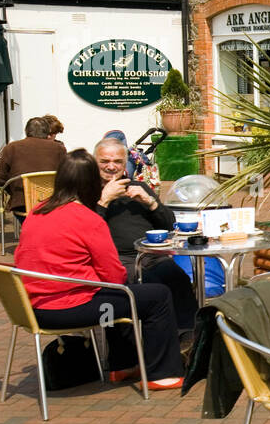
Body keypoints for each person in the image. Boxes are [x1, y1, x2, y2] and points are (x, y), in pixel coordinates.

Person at [13, 149, 184, 390]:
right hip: (68, 309)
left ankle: (123, 366)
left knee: (114, 296)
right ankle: (162, 374)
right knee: (155, 296)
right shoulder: (87, 218)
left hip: (30, 307)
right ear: (92, 183)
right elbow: (114, 276)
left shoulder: (38, 210)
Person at [93, 136, 198, 330]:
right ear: (95, 163)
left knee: (177, 278)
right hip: (117, 260)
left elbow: (169, 224)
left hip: (152, 255)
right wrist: (104, 201)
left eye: (117, 161)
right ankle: (150, 341)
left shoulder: (138, 187)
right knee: (152, 285)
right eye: (105, 161)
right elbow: (87, 232)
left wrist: (151, 203)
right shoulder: (89, 193)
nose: (111, 166)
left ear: (125, 164)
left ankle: (189, 336)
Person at [0, 117, 67, 217]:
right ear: (47, 132)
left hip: (22, 203)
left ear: (26, 131)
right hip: (53, 204)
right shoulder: (59, 148)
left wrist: (14, 191)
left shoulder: (11, 147)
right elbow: (66, 177)